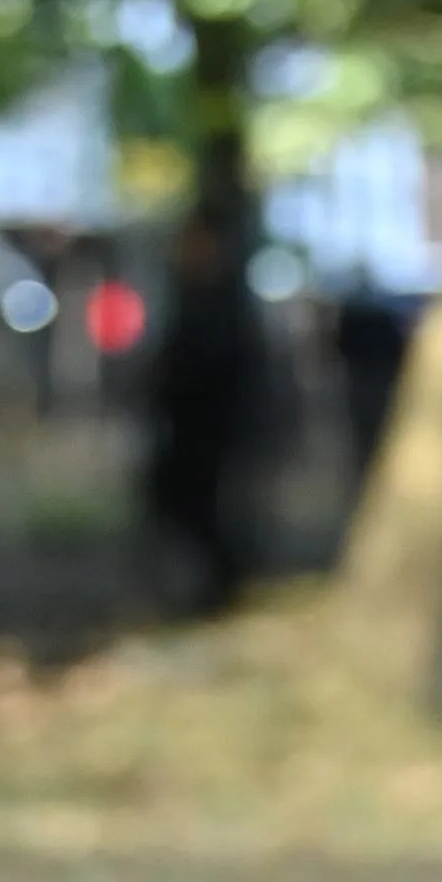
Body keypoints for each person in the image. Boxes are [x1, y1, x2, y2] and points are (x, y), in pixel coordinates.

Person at [139, 207, 269, 616]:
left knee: (203, 504)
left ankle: (223, 584)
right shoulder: (189, 294)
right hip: (190, 422)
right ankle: (215, 583)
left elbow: (215, 362)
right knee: (183, 501)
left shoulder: (219, 302)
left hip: (211, 424)